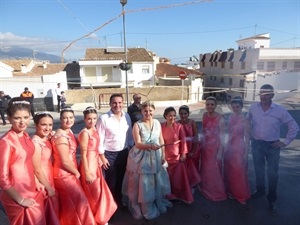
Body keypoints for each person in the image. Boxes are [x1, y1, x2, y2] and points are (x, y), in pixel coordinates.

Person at [247, 84, 299, 210]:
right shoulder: (253, 108)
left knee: (272, 173)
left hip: (272, 146)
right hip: (256, 144)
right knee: (258, 170)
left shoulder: (280, 110)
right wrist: (248, 136)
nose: (263, 96)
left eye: (267, 94)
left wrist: (285, 142)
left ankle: (272, 198)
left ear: (273, 95)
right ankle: (260, 190)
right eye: (261, 93)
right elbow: (248, 121)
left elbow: (294, 126)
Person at [122, 101, 172, 220]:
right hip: (141, 157)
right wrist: (150, 147)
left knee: (155, 181)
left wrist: (163, 155)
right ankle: (142, 207)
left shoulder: (157, 123)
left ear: (154, 111)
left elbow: (161, 140)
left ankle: (155, 202)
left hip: (156, 155)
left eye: (150, 111)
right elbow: (138, 143)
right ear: (141, 112)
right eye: (145, 111)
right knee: (142, 183)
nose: (148, 113)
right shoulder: (137, 125)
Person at [0, 97, 46, 224]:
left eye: (26, 117)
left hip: (32, 189)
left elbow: (28, 162)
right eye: (17, 118)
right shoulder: (6, 142)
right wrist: (20, 200)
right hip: (17, 194)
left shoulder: (25, 136)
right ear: (9, 118)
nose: (22, 122)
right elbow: (2, 178)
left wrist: (36, 181)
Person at [51, 107, 95, 225]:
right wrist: (77, 173)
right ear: (60, 119)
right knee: (80, 203)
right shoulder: (61, 136)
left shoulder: (68, 131)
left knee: (71, 205)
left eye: (71, 117)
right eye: (65, 118)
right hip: (64, 174)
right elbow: (65, 161)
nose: (68, 120)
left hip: (69, 172)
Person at [79, 107, 117, 225]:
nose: (92, 121)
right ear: (85, 119)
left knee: (99, 192)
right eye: (89, 119)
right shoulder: (85, 133)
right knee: (93, 192)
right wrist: (87, 172)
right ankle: (96, 219)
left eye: (94, 118)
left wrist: (100, 158)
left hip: (95, 162)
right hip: (89, 164)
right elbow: (83, 155)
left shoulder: (94, 130)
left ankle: (99, 216)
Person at [96, 93, 134, 207]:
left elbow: (130, 135)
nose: (117, 105)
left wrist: (131, 150)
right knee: (111, 182)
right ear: (110, 104)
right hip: (109, 155)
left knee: (121, 181)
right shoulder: (104, 118)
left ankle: (118, 202)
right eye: (114, 103)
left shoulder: (126, 116)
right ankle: (109, 206)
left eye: (119, 103)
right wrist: (102, 157)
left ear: (123, 103)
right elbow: (100, 138)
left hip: (124, 153)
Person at [32, 112, 60, 224]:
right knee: (48, 209)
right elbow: (36, 169)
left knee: (53, 209)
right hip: (43, 179)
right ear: (36, 125)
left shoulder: (45, 138)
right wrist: (48, 187)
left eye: (50, 125)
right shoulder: (35, 143)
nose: (48, 128)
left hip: (49, 174)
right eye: (44, 125)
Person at [161, 106, 194, 204]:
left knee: (178, 178)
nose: (172, 118)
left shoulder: (179, 126)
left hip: (177, 155)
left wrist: (183, 153)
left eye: (174, 116)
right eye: (170, 116)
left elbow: (183, 140)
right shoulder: (161, 126)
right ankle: (168, 195)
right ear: (165, 116)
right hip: (165, 155)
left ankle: (179, 195)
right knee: (167, 178)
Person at [223, 96, 251, 205]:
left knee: (239, 172)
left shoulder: (245, 120)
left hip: (239, 147)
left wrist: (246, 153)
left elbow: (248, 138)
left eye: (237, 107)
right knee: (230, 170)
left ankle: (241, 195)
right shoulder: (231, 116)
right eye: (233, 107)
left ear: (242, 107)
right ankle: (232, 192)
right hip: (230, 145)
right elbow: (228, 132)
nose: (235, 109)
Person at [199, 96, 227, 201]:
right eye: (207, 104)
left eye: (212, 104)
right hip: (206, 146)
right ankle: (206, 188)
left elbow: (223, 136)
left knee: (213, 169)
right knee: (205, 168)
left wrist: (220, 152)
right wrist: (200, 141)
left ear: (215, 106)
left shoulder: (220, 118)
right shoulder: (204, 115)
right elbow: (203, 129)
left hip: (215, 147)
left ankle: (216, 191)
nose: (209, 106)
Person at [178, 105, 201, 188]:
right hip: (183, 147)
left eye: (185, 113)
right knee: (183, 166)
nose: (183, 115)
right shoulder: (177, 123)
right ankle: (186, 183)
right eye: (181, 113)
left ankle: (194, 183)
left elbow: (196, 137)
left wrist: (193, 151)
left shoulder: (192, 122)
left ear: (188, 114)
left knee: (192, 167)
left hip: (192, 146)